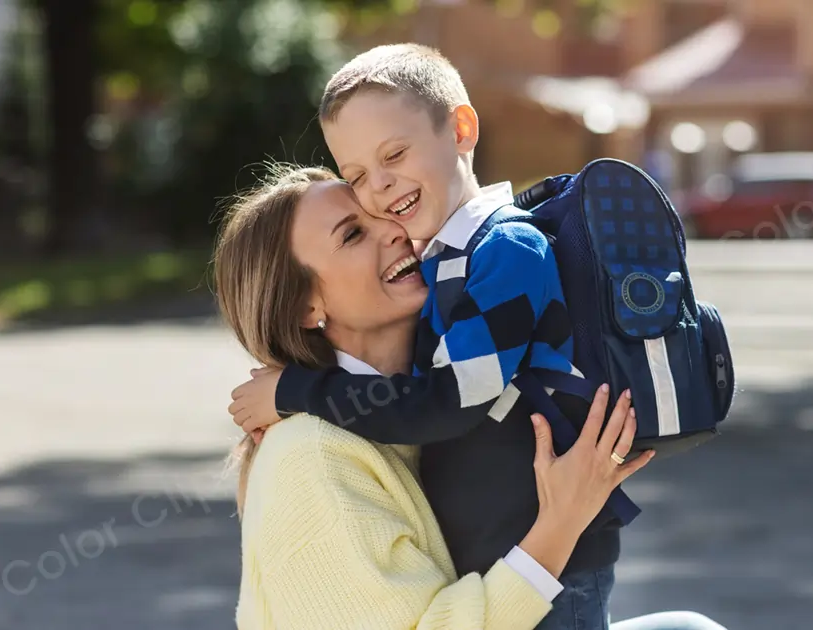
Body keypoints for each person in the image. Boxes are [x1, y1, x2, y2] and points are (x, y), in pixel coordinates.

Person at [228, 44, 635, 628]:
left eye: (395, 154)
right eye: (358, 187)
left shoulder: (499, 254)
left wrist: (295, 390)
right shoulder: (316, 456)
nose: (389, 214)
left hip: (559, 574)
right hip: (537, 565)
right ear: (304, 305)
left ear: (462, 129)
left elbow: (445, 406)